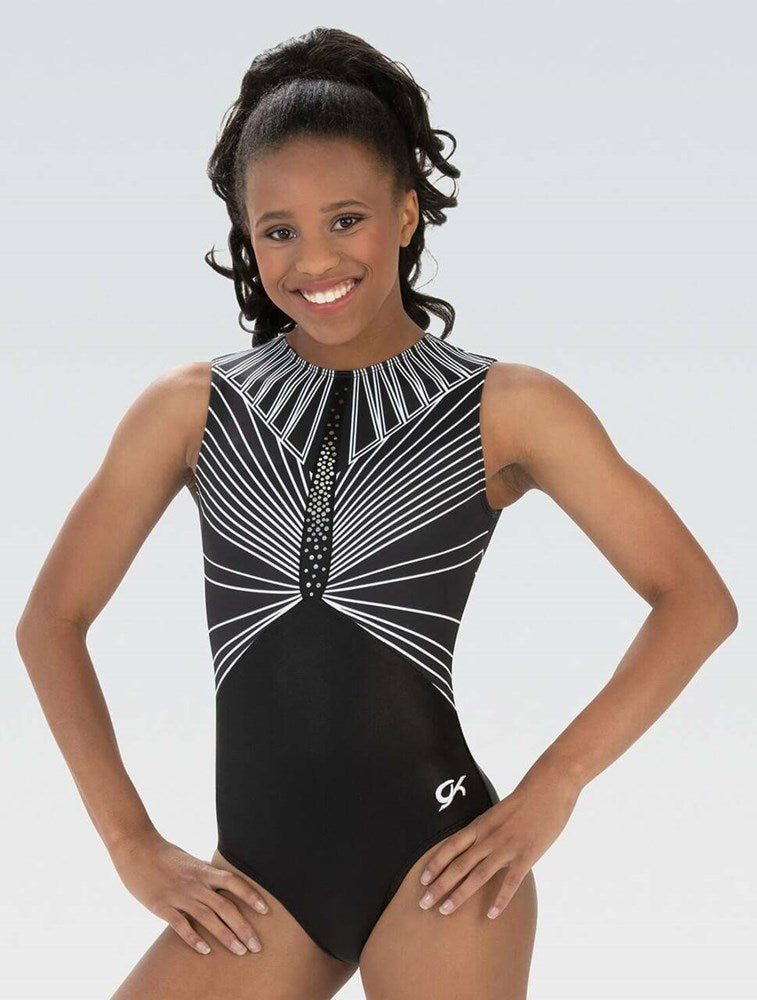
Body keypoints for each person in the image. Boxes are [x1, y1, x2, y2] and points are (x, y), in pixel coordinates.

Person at [16, 26, 738, 1000]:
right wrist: (129, 842)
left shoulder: (505, 407)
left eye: (345, 219)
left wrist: (551, 788)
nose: (313, 258)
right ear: (247, 236)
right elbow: (51, 622)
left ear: (405, 214)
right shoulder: (189, 410)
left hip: (439, 864)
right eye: (278, 230)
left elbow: (694, 601)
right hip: (259, 888)